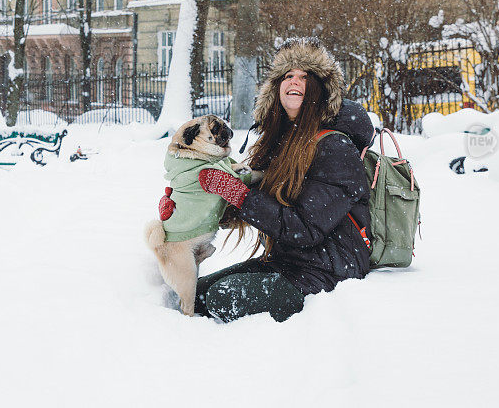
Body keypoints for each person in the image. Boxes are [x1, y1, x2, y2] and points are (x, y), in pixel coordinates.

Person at [161, 37, 375, 322]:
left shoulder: (335, 148)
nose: (294, 81)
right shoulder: (280, 141)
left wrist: (239, 194)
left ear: (321, 90)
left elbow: (305, 228)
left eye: (305, 76)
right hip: (284, 262)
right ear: (276, 88)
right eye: (287, 76)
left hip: (328, 270)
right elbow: (259, 202)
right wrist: (193, 205)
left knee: (222, 297)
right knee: (195, 295)